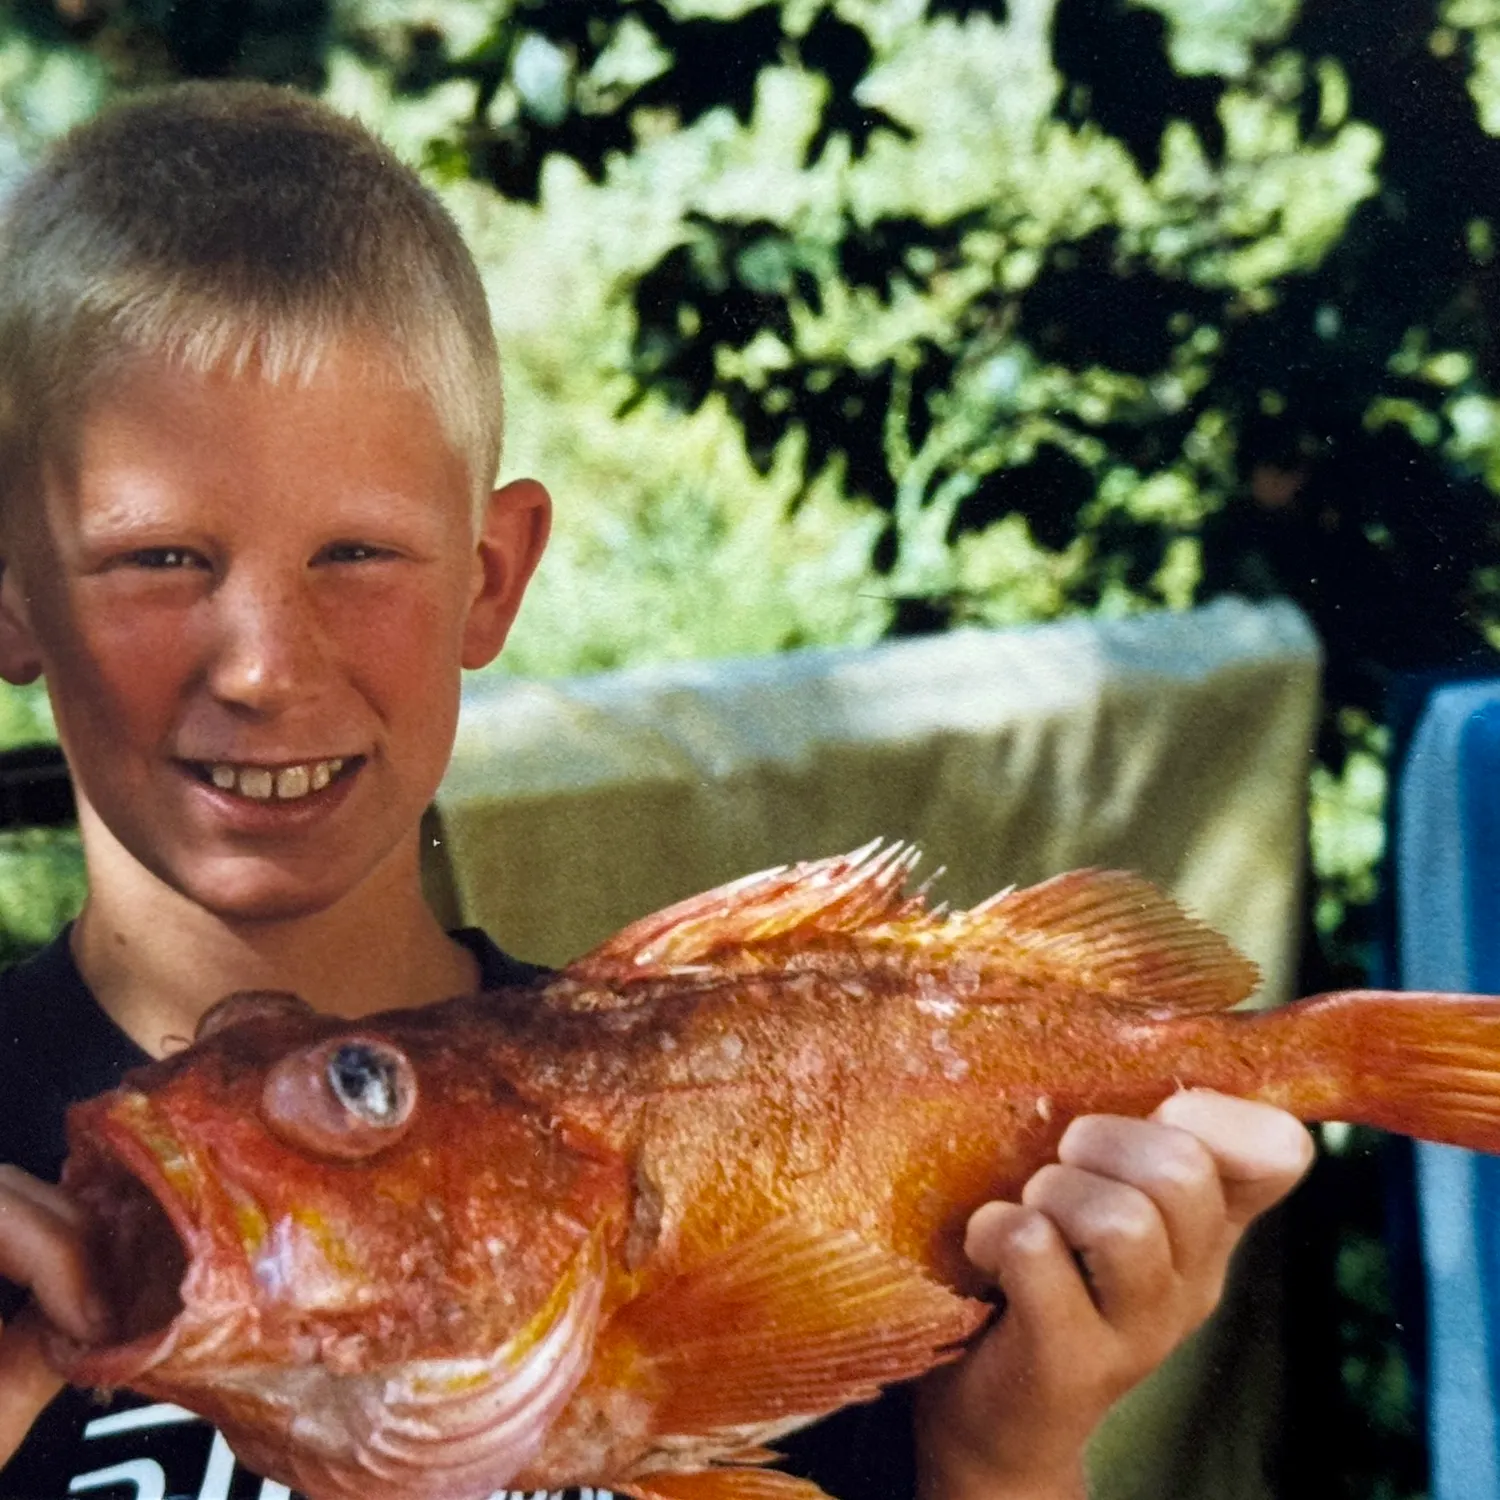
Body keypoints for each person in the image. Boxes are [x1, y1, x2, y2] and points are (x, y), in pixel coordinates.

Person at [0, 82, 1313, 1500]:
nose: (262, 666)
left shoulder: (726, 1158)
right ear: (11, 596)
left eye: (357, 556)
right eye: (159, 561)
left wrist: (1005, 1453)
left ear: (490, 578)